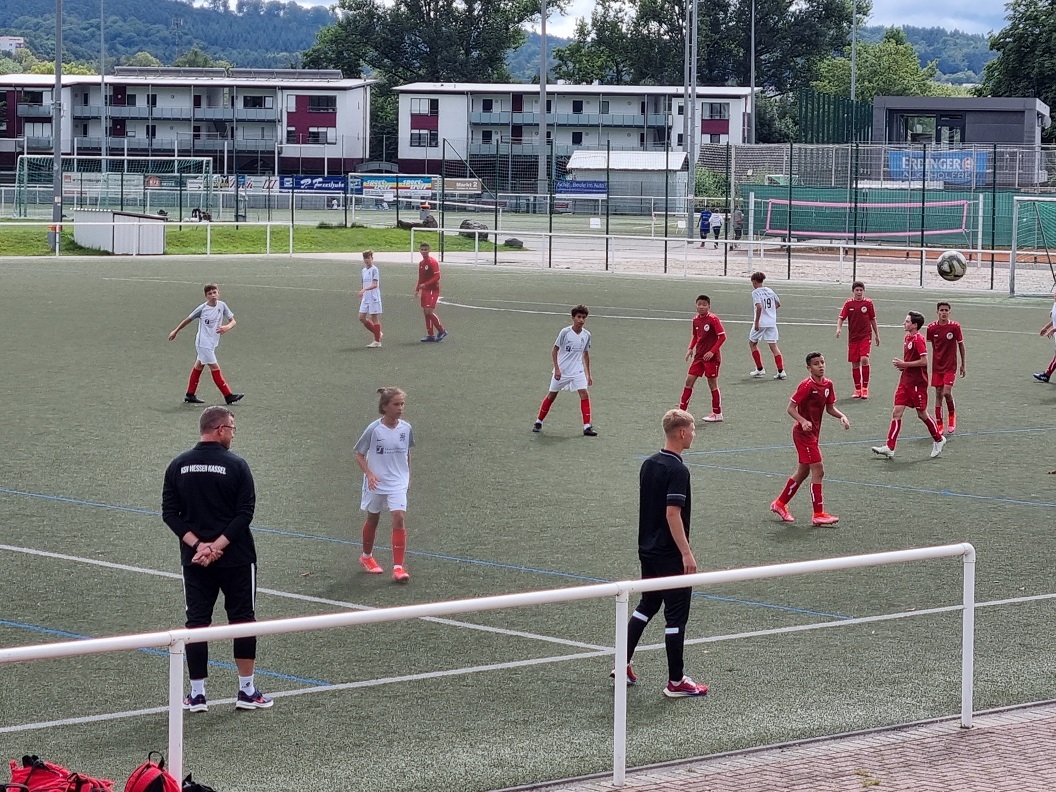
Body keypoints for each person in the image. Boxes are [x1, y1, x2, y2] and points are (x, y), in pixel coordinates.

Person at [162, 406, 271, 713]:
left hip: (195, 561)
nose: (233, 435)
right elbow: (244, 514)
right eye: (232, 428)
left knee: (197, 623)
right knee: (243, 620)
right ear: (220, 429)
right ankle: (246, 691)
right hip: (237, 558)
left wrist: (200, 546)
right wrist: (218, 546)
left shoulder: (178, 465)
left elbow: (170, 514)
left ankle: (197, 694)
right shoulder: (237, 465)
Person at [612, 409, 708, 698]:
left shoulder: (649, 464)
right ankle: (676, 681)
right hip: (670, 554)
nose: (694, 435)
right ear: (682, 432)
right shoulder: (677, 470)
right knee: (676, 616)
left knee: (648, 603)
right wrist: (686, 553)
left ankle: (621, 663)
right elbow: (672, 513)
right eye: (692, 430)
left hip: (648, 549)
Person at [770, 352, 849, 526]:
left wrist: (841, 416)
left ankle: (779, 504)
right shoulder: (806, 386)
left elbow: (830, 408)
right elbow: (791, 408)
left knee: (803, 472)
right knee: (818, 470)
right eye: (816, 364)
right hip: (802, 434)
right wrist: (803, 421)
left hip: (813, 433)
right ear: (809, 368)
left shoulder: (828, 384)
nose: (820, 366)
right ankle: (818, 514)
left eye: (822, 362)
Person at [354, 388, 414, 583]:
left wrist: (407, 476)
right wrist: (370, 475)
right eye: (396, 404)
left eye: (402, 404)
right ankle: (366, 556)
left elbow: (406, 452)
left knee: (399, 516)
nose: (400, 408)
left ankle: (398, 568)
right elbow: (359, 455)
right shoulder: (374, 429)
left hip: (397, 482)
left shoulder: (406, 428)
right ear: (385, 406)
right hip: (377, 482)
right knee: (373, 518)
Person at [871, 311, 946, 460]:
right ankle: (890, 447)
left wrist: (904, 364)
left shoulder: (919, 339)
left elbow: (924, 361)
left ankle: (938, 439)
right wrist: (904, 367)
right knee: (896, 412)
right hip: (905, 381)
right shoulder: (907, 338)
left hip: (917, 383)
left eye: (907, 321)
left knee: (922, 414)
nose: (904, 323)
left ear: (915, 325)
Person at [168, 283, 244, 405]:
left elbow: (233, 321)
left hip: (212, 342)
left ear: (218, 293)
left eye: (214, 292)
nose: (213, 295)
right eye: (210, 293)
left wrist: (227, 327)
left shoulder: (222, 305)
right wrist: (175, 331)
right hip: (203, 343)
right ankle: (228, 395)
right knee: (215, 367)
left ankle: (190, 394)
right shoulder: (202, 309)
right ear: (206, 296)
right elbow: (188, 320)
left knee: (199, 366)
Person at [533, 305, 597, 436]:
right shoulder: (565, 332)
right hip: (562, 371)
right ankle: (538, 421)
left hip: (577, 371)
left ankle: (587, 426)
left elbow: (586, 354)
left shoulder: (586, 335)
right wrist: (557, 369)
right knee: (552, 395)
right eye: (579, 317)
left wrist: (588, 374)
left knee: (584, 394)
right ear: (573, 318)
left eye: (584, 317)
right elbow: (555, 350)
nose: (581, 320)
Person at [681, 295, 726, 422]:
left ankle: (717, 413)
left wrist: (712, 351)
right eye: (699, 304)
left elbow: (722, 337)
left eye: (704, 305)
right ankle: (682, 412)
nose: (701, 307)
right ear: (696, 305)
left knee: (712, 384)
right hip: (699, 357)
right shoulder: (695, 320)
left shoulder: (713, 319)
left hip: (711, 358)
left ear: (709, 306)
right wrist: (690, 348)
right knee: (689, 382)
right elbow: (695, 336)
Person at [835, 281, 880, 399]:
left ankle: (865, 389)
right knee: (855, 364)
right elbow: (841, 318)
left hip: (865, 336)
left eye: (861, 290)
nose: (859, 292)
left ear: (863, 291)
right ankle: (857, 389)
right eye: (857, 290)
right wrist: (838, 329)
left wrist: (877, 335)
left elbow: (873, 319)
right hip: (853, 338)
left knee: (864, 359)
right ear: (853, 291)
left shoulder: (868, 303)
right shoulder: (848, 304)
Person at [927, 302, 966, 434]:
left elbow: (961, 345)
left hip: (950, 366)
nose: (944, 312)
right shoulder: (931, 328)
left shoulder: (955, 327)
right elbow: (933, 346)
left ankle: (951, 415)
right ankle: (939, 424)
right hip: (937, 366)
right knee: (938, 394)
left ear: (949, 312)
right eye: (941, 310)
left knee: (946, 392)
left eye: (946, 310)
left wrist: (963, 364)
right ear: (937, 312)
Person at [747, 272, 786, 380]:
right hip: (771, 322)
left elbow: (759, 307)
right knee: (774, 346)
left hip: (761, 322)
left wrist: (757, 322)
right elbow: (778, 304)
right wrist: (770, 313)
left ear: (754, 281)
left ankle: (760, 369)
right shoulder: (769, 290)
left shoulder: (756, 292)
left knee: (752, 343)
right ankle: (781, 371)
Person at [415, 242, 448, 342]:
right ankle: (430, 335)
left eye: (425, 249)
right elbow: (421, 277)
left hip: (432, 290)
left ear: (429, 250)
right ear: (419, 251)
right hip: (425, 290)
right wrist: (417, 289)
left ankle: (442, 331)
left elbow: (437, 276)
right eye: (422, 250)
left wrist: (426, 284)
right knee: (425, 312)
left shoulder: (432, 262)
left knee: (429, 311)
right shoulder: (421, 263)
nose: (424, 251)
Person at [358, 250, 383, 348]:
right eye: (365, 258)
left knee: (374, 317)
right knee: (361, 317)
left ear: (372, 258)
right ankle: (378, 333)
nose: (366, 260)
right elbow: (363, 283)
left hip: (373, 297)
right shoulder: (363, 270)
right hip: (366, 297)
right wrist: (362, 292)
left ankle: (377, 341)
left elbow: (374, 284)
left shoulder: (374, 270)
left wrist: (364, 289)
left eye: (368, 258)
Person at [1033, 289, 1056, 383]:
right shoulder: (1055, 305)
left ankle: (1047, 375)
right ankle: (1047, 374)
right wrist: (1046, 327)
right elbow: (1054, 320)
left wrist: (1053, 330)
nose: (1055, 295)